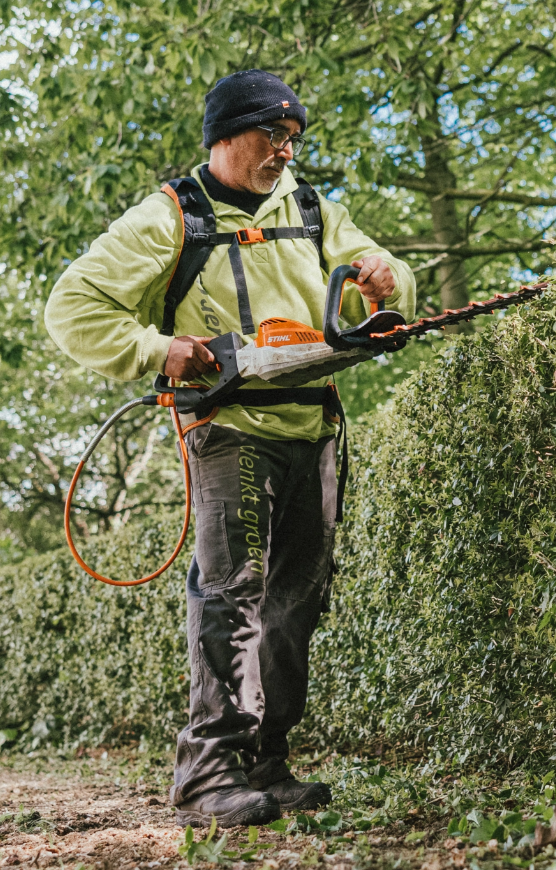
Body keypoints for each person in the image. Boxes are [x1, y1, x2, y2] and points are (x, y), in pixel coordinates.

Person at [45, 69, 416, 828]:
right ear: (224, 138)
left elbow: (380, 285)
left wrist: (387, 279)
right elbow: (71, 307)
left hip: (311, 427)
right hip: (228, 430)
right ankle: (207, 774)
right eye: (270, 137)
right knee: (231, 598)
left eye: (293, 139)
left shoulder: (312, 208)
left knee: (295, 602)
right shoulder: (169, 216)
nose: (285, 151)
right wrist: (156, 350)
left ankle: (265, 761)